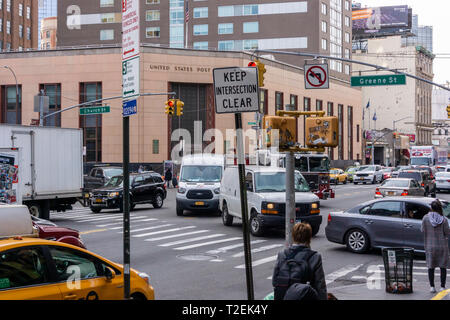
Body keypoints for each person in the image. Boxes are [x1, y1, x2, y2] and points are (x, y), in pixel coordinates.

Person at [272, 222, 327, 300]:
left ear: (293, 236)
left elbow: (274, 281)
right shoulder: (314, 257)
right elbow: (320, 285)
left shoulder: (282, 254)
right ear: (309, 238)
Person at [421, 199, 450, 293]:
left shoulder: (425, 218)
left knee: (431, 266)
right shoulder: (444, 220)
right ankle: (442, 286)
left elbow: (422, 230)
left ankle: (432, 287)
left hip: (430, 246)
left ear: (431, 208)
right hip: (442, 246)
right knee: (443, 266)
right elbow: (447, 233)